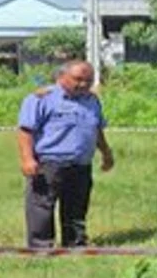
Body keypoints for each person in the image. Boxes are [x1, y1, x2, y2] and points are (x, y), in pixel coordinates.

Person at [17, 60, 114, 248]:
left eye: (89, 80)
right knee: (41, 206)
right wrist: (27, 159)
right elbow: (25, 130)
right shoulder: (42, 98)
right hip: (49, 163)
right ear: (61, 77)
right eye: (78, 79)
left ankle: (75, 243)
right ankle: (41, 246)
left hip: (81, 164)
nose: (84, 84)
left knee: (77, 207)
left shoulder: (92, 100)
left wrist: (106, 152)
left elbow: (96, 129)